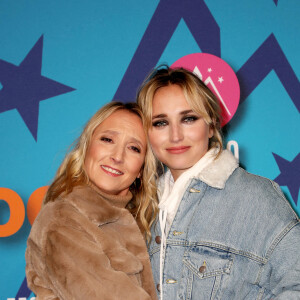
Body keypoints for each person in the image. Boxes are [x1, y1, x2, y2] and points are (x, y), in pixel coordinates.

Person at [137, 65, 300, 300]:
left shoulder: (256, 197)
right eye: (160, 122)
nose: (175, 135)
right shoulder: (144, 207)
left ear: (212, 125)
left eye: (189, 118)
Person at [25, 102, 159, 300]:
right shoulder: (62, 220)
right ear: (87, 146)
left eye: (133, 148)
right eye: (107, 139)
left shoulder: (143, 224)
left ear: (141, 169)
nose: (117, 156)